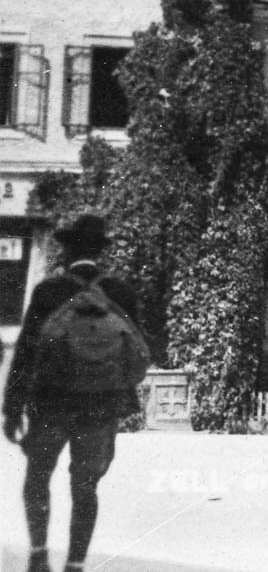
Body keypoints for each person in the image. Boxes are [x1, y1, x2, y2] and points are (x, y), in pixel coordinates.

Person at [3, 214, 146, 572]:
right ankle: (76, 564)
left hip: (50, 403)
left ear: (67, 251)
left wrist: (12, 408)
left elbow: (25, 353)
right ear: (100, 252)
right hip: (100, 407)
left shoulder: (48, 292)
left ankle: (39, 556)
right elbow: (139, 352)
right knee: (85, 488)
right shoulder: (120, 293)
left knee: (38, 478)